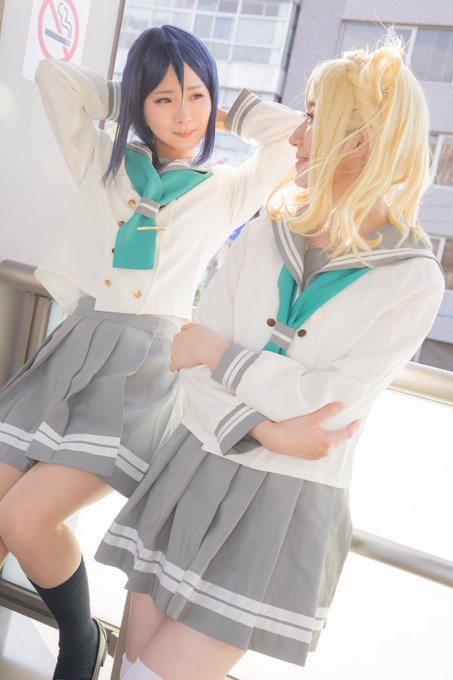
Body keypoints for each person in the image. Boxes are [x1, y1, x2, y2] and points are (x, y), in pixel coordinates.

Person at [95, 36, 445, 680]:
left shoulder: (412, 278)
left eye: (314, 119)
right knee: (131, 665)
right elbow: (188, 358)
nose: (299, 136)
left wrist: (224, 357)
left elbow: (325, 408)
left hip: (282, 505)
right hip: (193, 461)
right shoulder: (265, 228)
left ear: (362, 141)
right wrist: (268, 428)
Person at [0, 25, 305, 680]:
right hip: (72, 350)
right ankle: (76, 641)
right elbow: (55, 79)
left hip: (144, 374)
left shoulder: (225, 188)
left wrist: (223, 109)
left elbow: (295, 136)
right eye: (164, 98)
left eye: (195, 96)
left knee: (24, 520)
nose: (183, 113)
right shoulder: (104, 162)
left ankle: (79, 641)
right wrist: (132, 96)